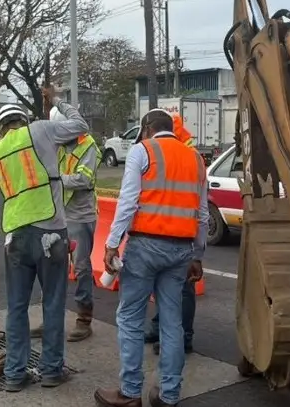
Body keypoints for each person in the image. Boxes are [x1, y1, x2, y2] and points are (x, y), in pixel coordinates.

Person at [94, 109, 208, 407]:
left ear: (147, 128)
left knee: (130, 317)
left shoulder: (142, 150)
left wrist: (111, 243)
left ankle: (130, 393)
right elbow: (203, 213)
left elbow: (129, 201)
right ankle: (168, 395)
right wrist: (198, 254)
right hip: (181, 250)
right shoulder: (195, 158)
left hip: (145, 246)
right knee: (172, 323)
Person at [0, 89, 89, 392]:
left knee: (16, 307)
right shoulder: (41, 130)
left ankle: (15, 375)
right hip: (50, 232)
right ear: (22, 119)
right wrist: (57, 100)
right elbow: (80, 126)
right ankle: (50, 371)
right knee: (54, 304)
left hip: (15, 235)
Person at [29, 106, 102, 343]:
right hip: (57, 212)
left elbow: (84, 179)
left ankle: (84, 319)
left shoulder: (87, 145)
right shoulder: (56, 142)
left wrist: (54, 179)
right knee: (50, 266)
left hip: (81, 215)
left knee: (80, 267)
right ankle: (49, 319)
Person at [144, 113, 197, 355]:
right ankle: (159, 327)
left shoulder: (182, 152)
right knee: (166, 287)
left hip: (177, 232)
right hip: (175, 231)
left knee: (181, 289)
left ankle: (183, 336)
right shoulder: (186, 150)